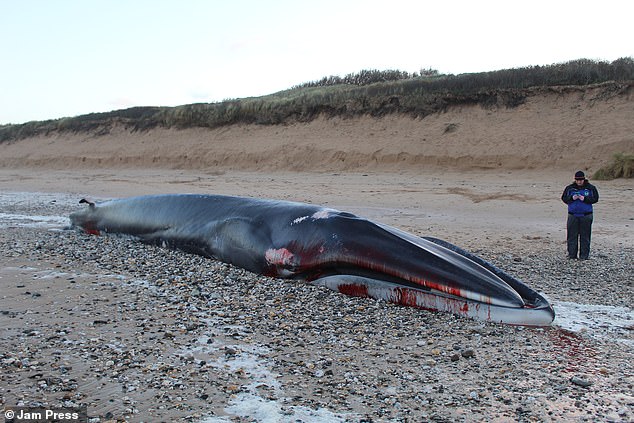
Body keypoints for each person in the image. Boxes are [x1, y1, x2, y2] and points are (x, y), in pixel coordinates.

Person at [561, 170, 599, 260]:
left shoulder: (590, 188)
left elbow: (595, 199)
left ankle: (584, 256)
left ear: (584, 179)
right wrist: (572, 198)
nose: (579, 182)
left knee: (585, 236)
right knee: (571, 236)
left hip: (586, 215)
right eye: (577, 180)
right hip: (573, 215)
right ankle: (572, 255)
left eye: (581, 180)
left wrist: (585, 199)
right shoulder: (570, 188)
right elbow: (564, 198)